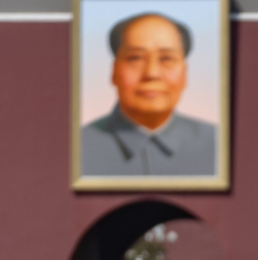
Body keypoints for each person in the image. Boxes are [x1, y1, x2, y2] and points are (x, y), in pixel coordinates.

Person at [81, 12, 216, 177]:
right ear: (114, 71)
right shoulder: (75, 148)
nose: (151, 73)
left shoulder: (220, 146)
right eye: (135, 58)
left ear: (185, 73)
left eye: (166, 58)